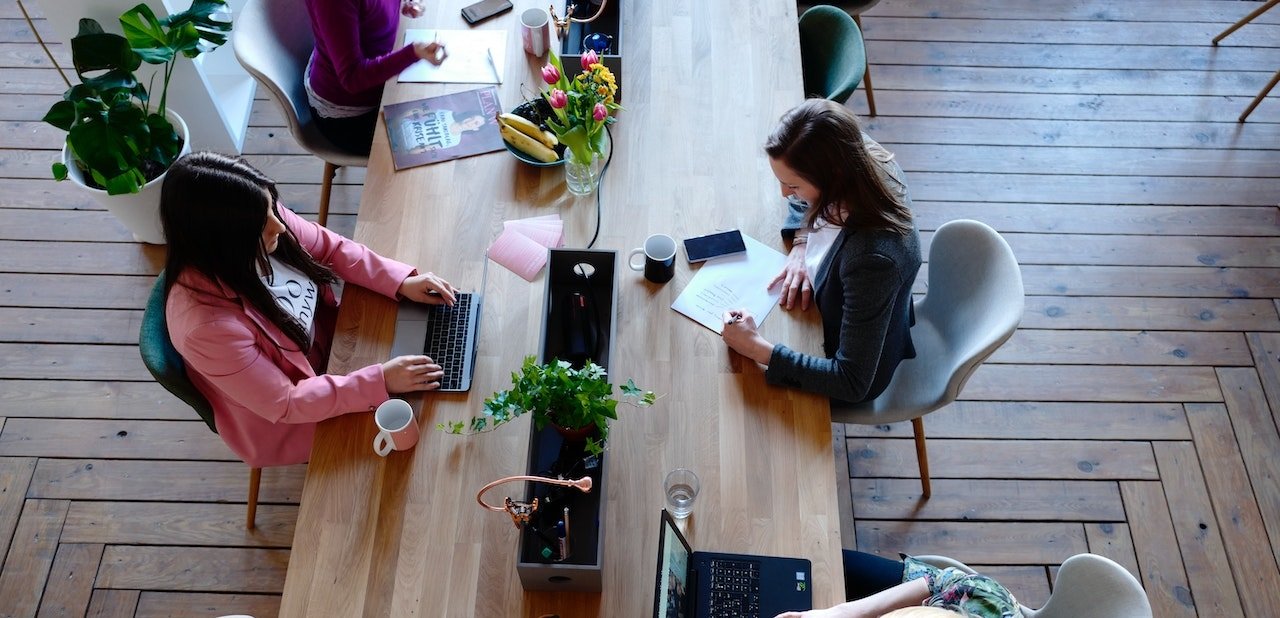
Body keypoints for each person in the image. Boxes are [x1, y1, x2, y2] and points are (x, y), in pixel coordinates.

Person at [160, 151, 460, 468]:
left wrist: (400, 281)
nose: (280, 225)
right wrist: (379, 380)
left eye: (273, 208)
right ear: (223, 242)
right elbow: (287, 402)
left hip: (337, 348)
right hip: (292, 416)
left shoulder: (259, 219)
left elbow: (330, 248)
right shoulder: (206, 329)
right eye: (264, 224)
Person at [721, 98, 921, 405]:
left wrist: (757, 348)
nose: (785, 194)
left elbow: (852, 381)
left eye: (794, 186)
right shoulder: (851, 152)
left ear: (833, 178)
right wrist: (802, 242)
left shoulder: (873, 260)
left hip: (847, 365)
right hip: (828, 310)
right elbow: (802, 200)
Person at [304, 0, 449, 155]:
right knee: (436, 153)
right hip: (351, 117)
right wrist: (412, 53)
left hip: (383, 81)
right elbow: (352, 78)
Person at [774, 551, 1019, 618]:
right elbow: (935, 581)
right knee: (820, 561)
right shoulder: (984, 597)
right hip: (930, 589)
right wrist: (842, 612)